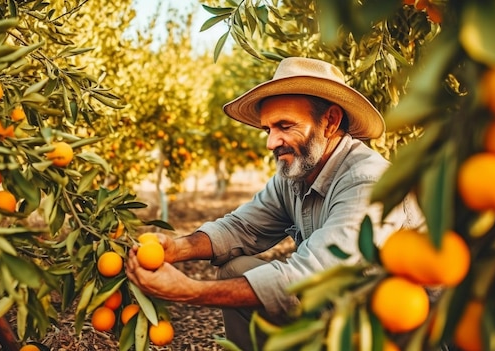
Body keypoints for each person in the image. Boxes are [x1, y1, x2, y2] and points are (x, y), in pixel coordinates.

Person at [125, 57, 424, 349]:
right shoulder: (297, 174)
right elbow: (242, 227)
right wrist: (178, 248)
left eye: (284, 125)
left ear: (330, 121)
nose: (271, 142)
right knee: (236, 269)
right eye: (268, 130)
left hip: (393, 331)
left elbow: (312, 278)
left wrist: (189, 291)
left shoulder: (368, 181)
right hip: (337, 312)